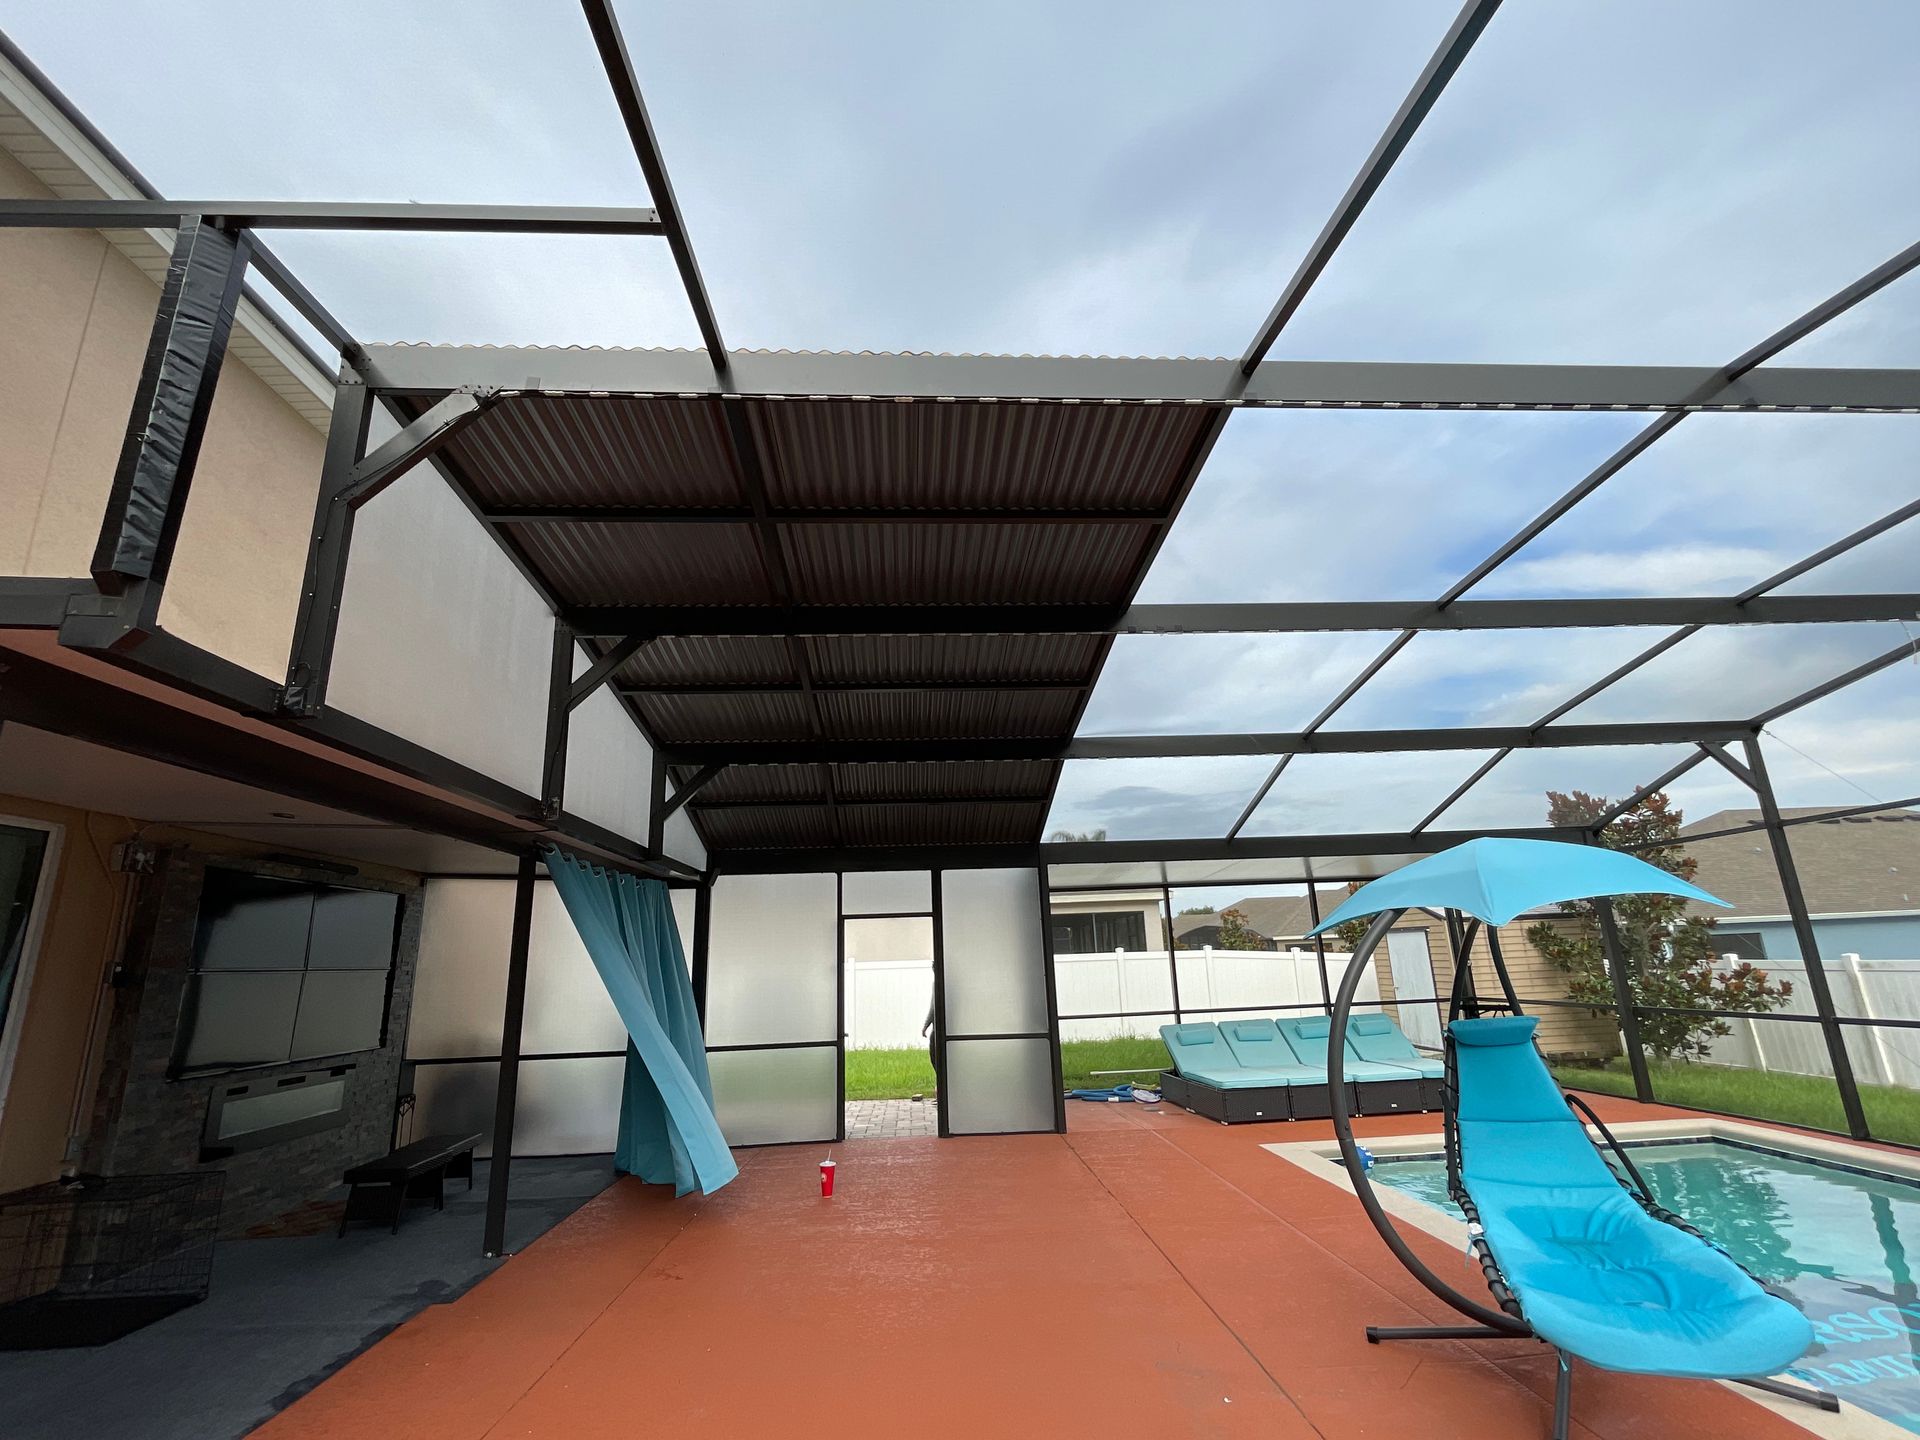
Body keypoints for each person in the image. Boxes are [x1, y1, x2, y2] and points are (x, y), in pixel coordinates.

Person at [920, 991, 942, 1093]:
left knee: (937, 1061)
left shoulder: (937, 982)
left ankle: (941, 1090)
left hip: (937, 1032)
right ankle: (941, 1090)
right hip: (943, 1031)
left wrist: (925, 1027)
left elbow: (933, 1008)